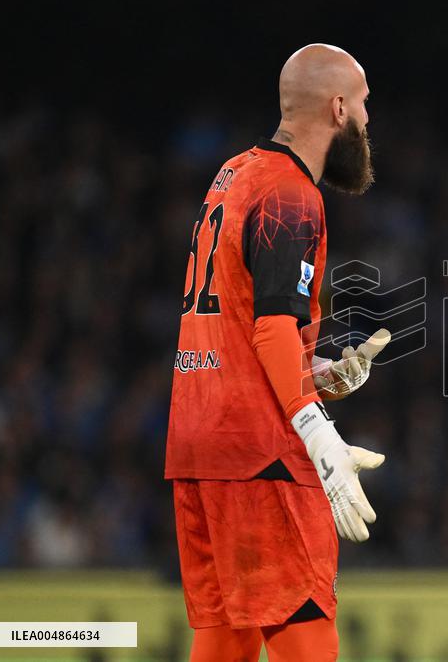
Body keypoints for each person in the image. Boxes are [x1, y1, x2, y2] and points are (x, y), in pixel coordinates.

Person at [165, 43, 387, 662]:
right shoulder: (293, 193)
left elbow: (241, 324)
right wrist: (316, 431)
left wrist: (316, 374)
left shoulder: (233, 174)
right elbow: (269, 327)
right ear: (339, 107)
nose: (369, 120)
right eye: (365, 105)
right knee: (306, 630)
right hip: (260, 454)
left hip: (197, 441)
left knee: (224, 638)